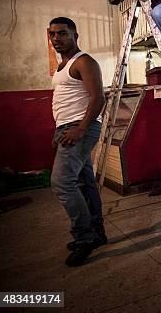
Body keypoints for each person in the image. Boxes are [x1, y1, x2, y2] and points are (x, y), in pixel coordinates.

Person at [49, 17, 107, 267]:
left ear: (75, 35)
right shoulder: (62, 66)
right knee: (84, 182)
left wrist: (80, 129)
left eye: (62, 33)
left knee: (62, 182)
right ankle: (97, 234)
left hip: (80, 128)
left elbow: (99, 98)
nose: (56, 39)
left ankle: (84, 238)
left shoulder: (83, 61)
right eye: (52, 34)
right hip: (68, 128)